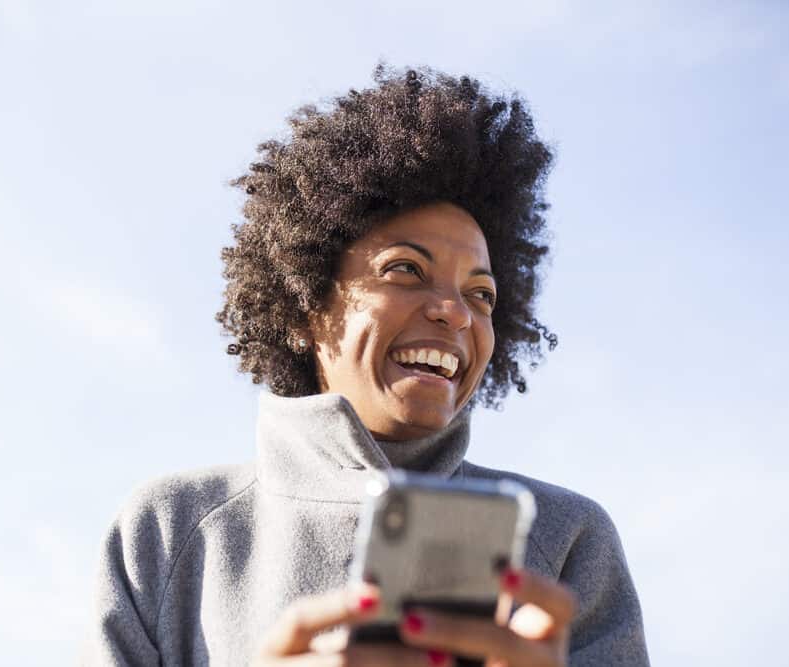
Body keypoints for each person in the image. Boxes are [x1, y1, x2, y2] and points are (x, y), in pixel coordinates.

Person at [83, 65, 649, 666]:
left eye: (481, 294)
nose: (456, 313)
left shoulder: (568, 539)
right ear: (305, 306)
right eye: (405, 269)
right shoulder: (169, 531)